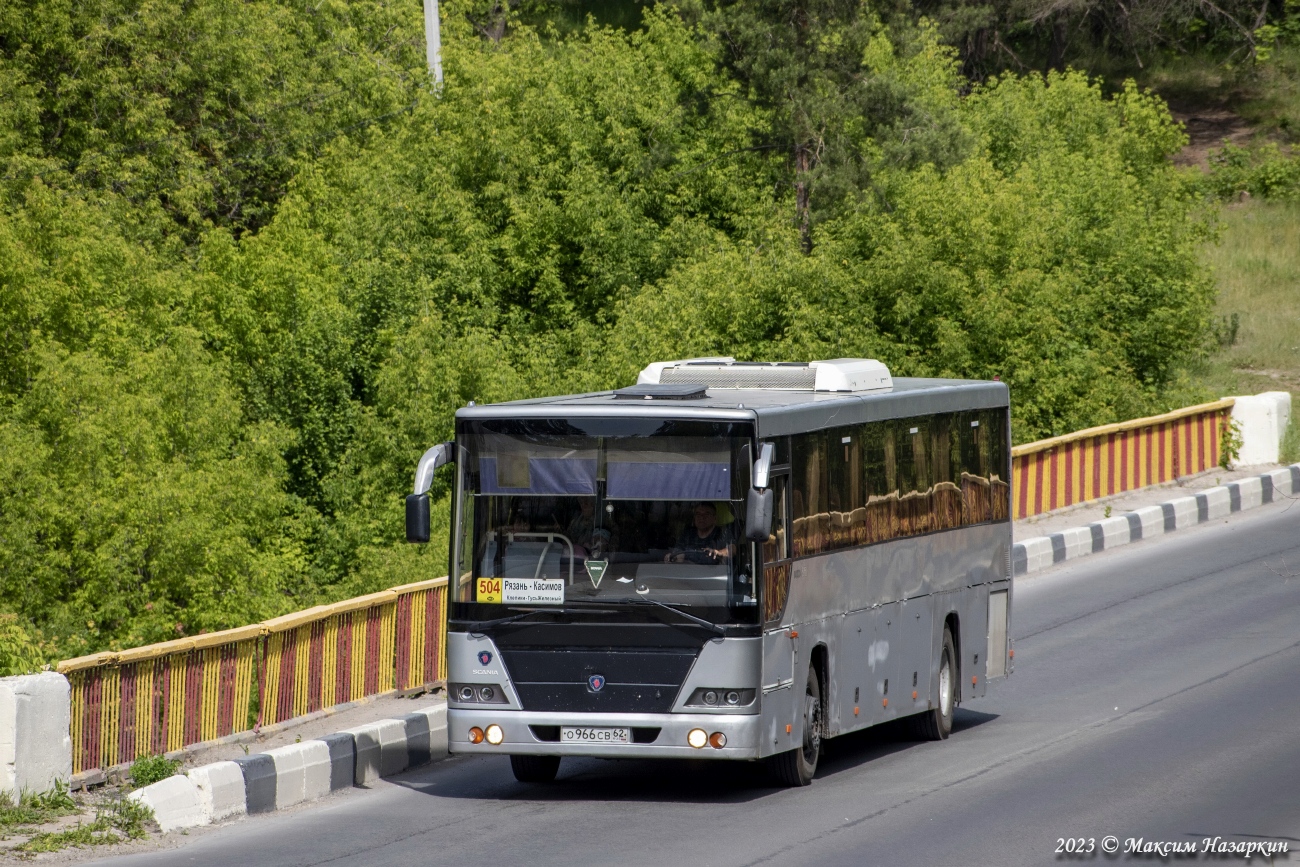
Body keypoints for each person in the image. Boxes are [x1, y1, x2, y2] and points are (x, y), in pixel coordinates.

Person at [665, 502, 734, 564]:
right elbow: (679, 550)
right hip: (688, 572)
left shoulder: (721, 533)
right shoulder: (688, 533)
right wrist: (673, 556)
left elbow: (733, 549)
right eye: (698, 514)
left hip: (711, 574)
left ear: (714, 518)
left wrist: (720, 553)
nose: (701, 517)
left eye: (707, 514)